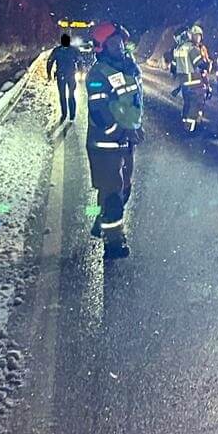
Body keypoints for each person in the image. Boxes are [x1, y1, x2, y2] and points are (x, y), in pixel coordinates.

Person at [84, 21, 144, 258]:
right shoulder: (98, 74)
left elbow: (133, 103)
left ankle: (103, 221)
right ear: (102, 47)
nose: (119, 47)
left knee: (124, 189)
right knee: (112, 195)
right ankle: (113, 243)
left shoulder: (127, 68)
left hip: (125, 141)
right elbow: (99, 113)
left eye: (120, 42)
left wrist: (135, 127)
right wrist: (120, 130)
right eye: (113, 43)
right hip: (105, 144)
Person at [172, 23, 212, 133]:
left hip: (184, 82)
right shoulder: (191, 48)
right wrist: (208, 65)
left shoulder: (178, 49)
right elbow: (200, 64)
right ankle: (189, 128)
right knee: (196, 103)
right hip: (193, 81)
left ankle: (185, 123)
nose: (198, 38)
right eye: (197, 35)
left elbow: (174, 67)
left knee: (188, 103)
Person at [46, 31, 83, 122]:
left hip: (61, 76)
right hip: (70, 75)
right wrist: (80, 73)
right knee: (70, 95)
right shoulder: (74, 50)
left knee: (63, 96)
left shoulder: (57, 50)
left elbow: (50, 62)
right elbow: (80, 62)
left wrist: (49, 74)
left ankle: (65, 114)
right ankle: (71, 115)